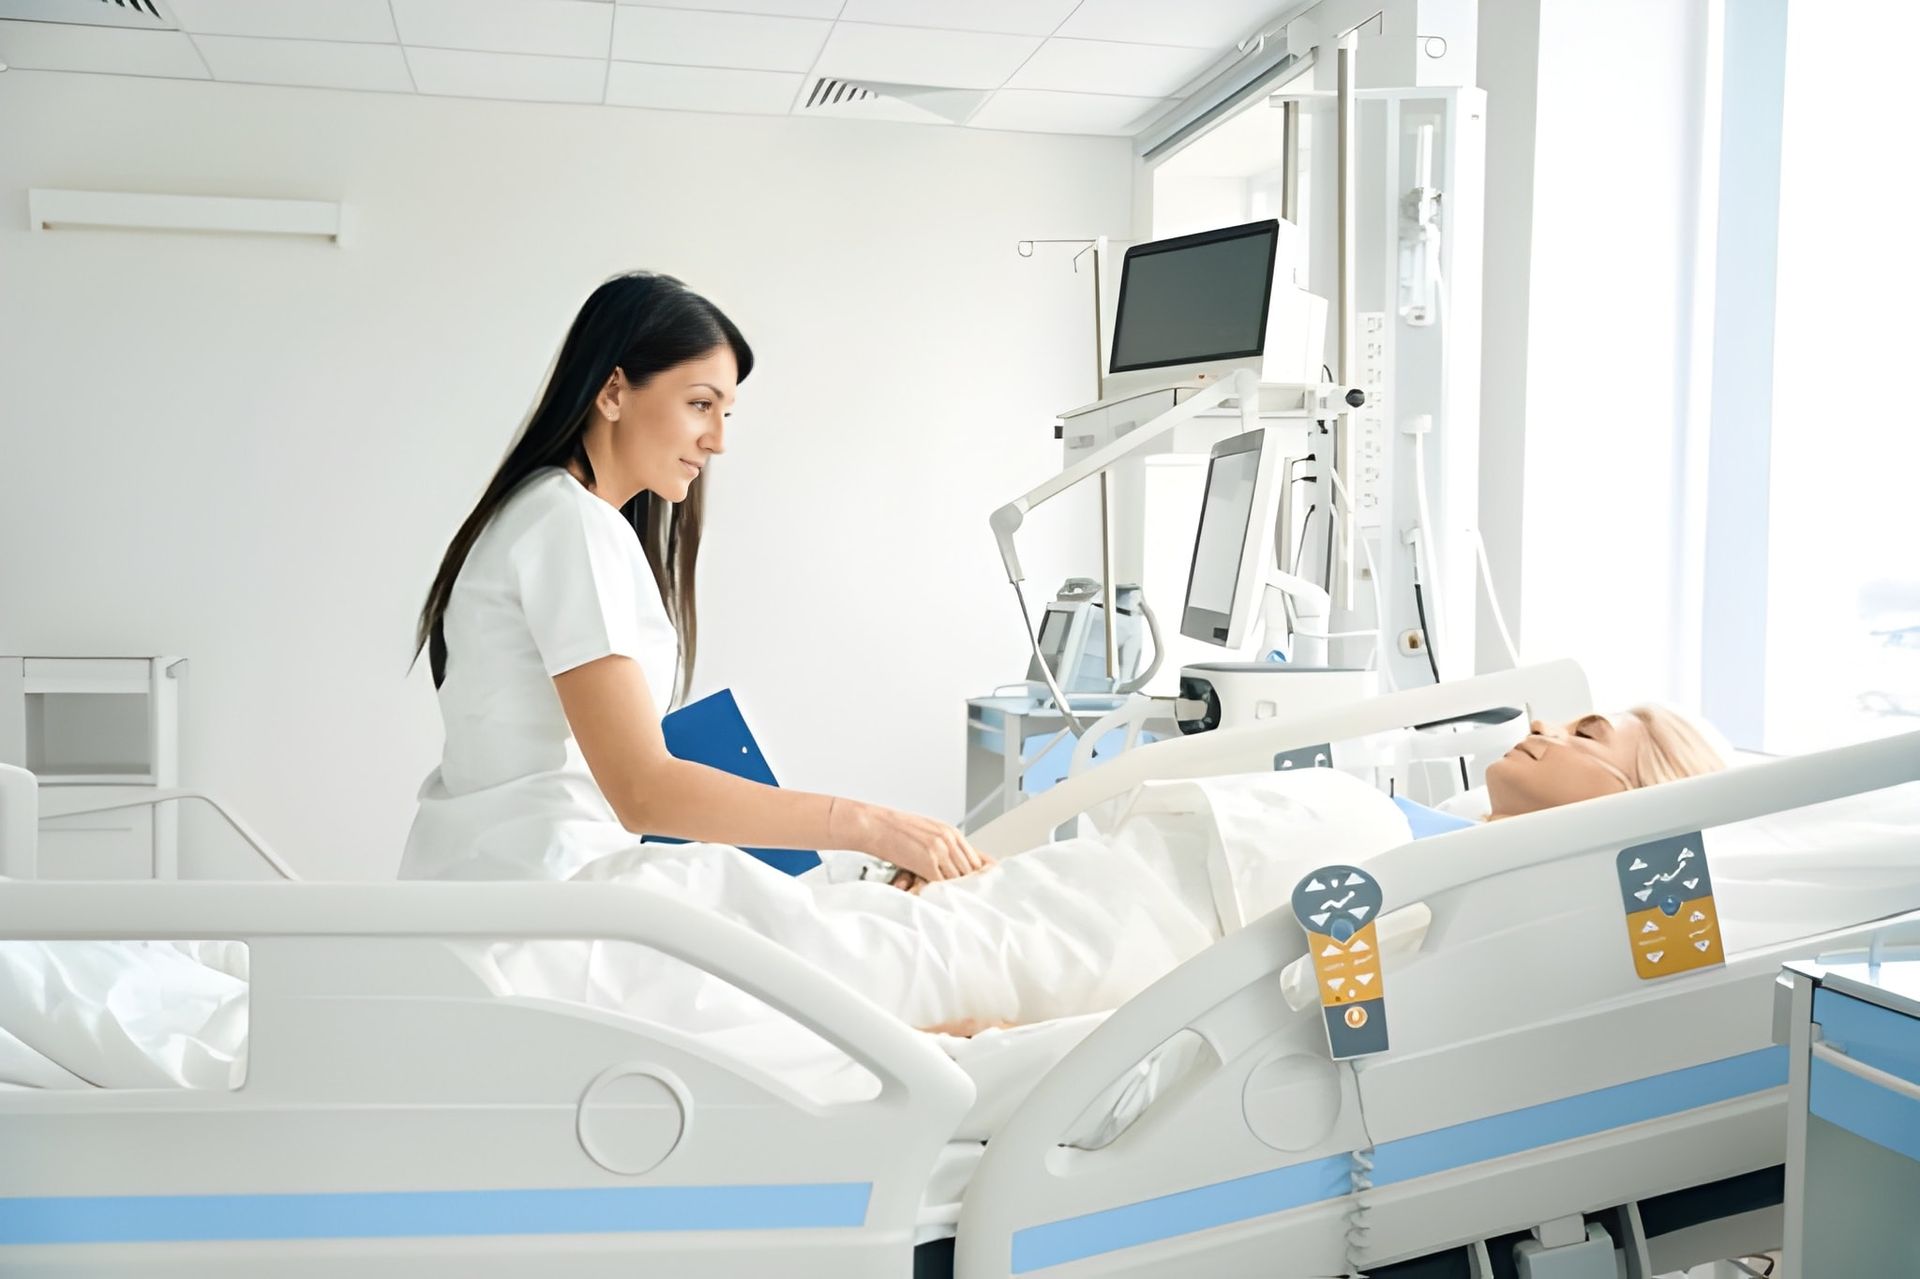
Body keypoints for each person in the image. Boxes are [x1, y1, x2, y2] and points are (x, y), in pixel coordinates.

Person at [402, 271, 988, 888]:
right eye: (700, 404)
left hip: (517, 877)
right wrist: (874, 826)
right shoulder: (567, 522)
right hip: (542, 892)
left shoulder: (548, 514)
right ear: (613, 392)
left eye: (726, 412)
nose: (719, 440)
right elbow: (642, 791)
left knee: (838, 904)